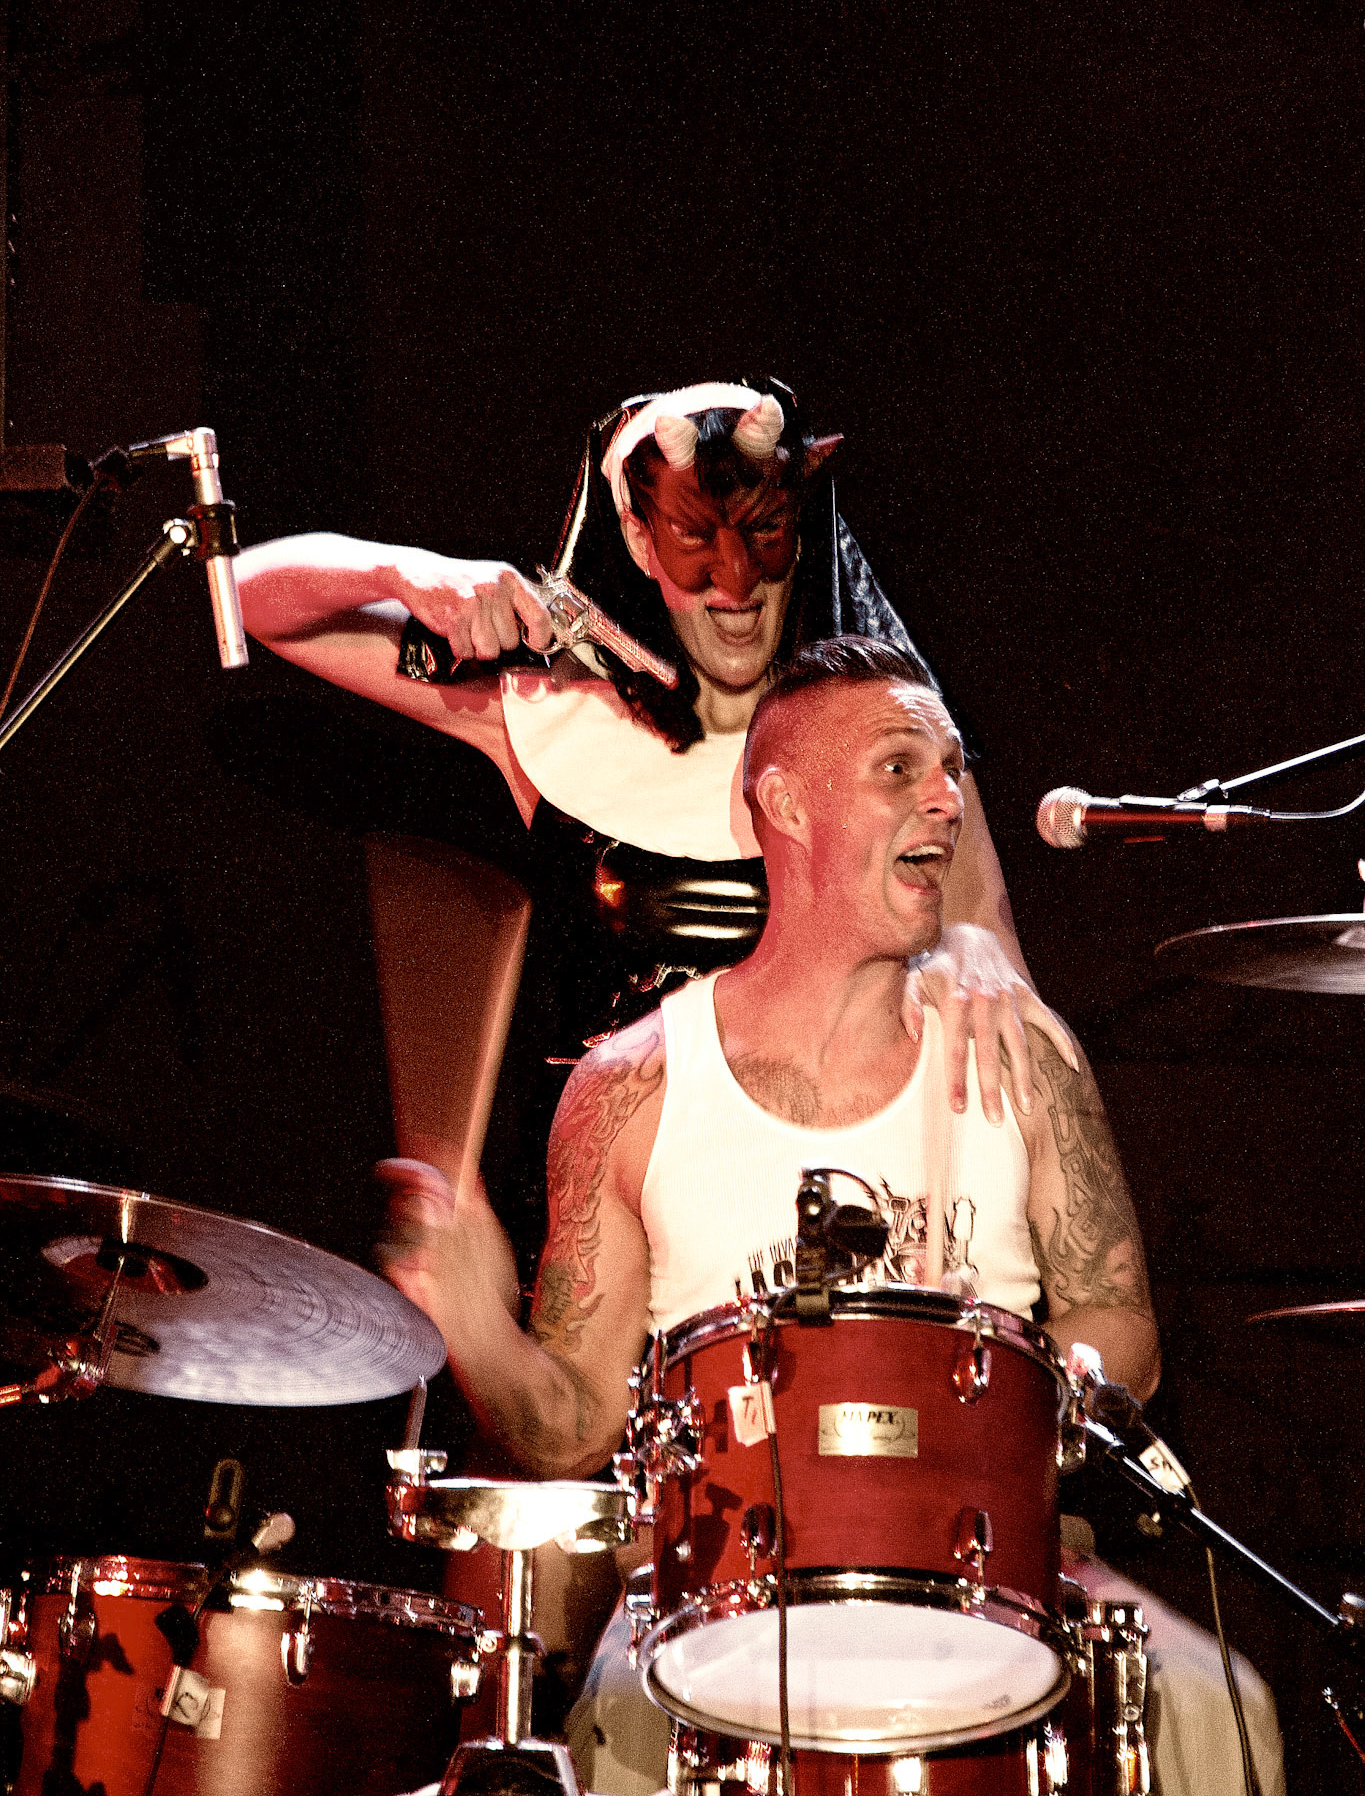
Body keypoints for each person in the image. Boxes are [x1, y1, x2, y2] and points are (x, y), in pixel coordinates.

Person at [379, 638, 1283, 1796]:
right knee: (618, 1722)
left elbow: (1123, 1323)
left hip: (1000, 1570)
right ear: (787, 804)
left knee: (1221, 1709)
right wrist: (470, 1319)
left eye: (950, 768)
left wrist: (996, 1413)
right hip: (712, 1590)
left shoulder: (1021, 1045)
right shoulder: (631, 1087)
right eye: (899, 766)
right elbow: (570, 1429)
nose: (946, 799)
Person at [237, 380, 1071, 1262]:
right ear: (638, 537)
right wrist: (404, 572)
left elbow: (1000, 993)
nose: (736, 580)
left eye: (762, 531)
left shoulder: (891, 743)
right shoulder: (551, 717)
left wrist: (966, 949)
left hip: (829, 1212)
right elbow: (252, 599)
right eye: (694, 537)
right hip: (615, 1217)